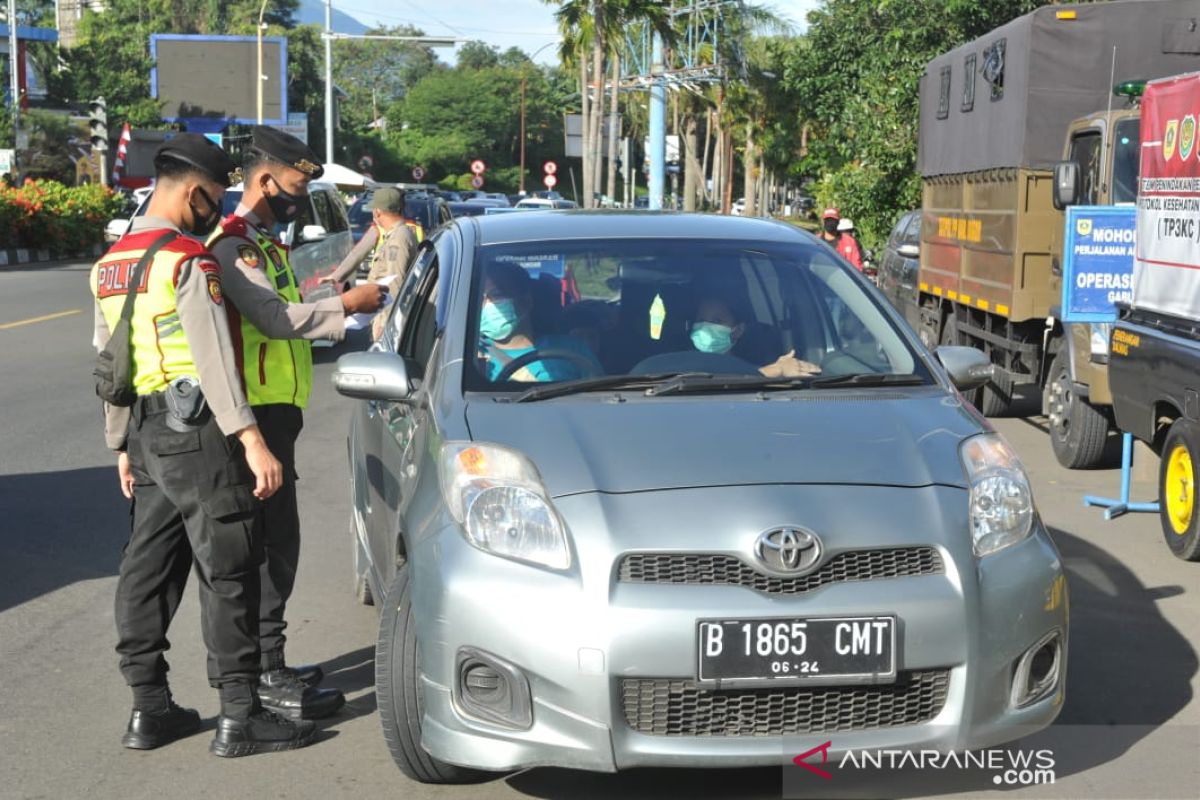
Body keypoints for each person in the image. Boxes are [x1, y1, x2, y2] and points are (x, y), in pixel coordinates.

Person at [91, 134, 315, 756]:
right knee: (231, 568)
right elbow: (216, 361)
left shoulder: (112, 262)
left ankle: (150, 707)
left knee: (148, 570)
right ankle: (242, 716)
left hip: (145, 433)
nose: (216, 210)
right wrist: (253, 442)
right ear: (195, 192)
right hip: (198, 434)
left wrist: (120, 446)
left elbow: (110, 361)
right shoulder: (188, 259)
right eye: (214, 199)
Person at [202, 126, 365, 722]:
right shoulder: (234, 245)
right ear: (265, 180)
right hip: (257, 416)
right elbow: (273, 319)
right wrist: (345, 308)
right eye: (295, 186)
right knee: (267, 550)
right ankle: (263, 673)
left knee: (277, 545)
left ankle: (268, 660)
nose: (298, 197)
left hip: (280, 412)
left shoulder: (263, 242)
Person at [477, 261, 601, 382]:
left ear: (526, 301)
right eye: (479, 298)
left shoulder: (573, 348)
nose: (486, 304)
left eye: (497, 295)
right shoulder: (472, 354)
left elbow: (599, 395)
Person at [690, 295, 821, 378]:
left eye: (716, 321)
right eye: (701, 320)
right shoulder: (678, 370)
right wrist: (776, 370)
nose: (705, 327)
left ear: (738, 330)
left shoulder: (749, 370)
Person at [323, 186, 419, 286]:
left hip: (385, 295)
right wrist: (336, 276)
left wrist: (336, 276)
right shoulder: (413, 228)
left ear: (378, 211)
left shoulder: (395, 234)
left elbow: (394, 281)